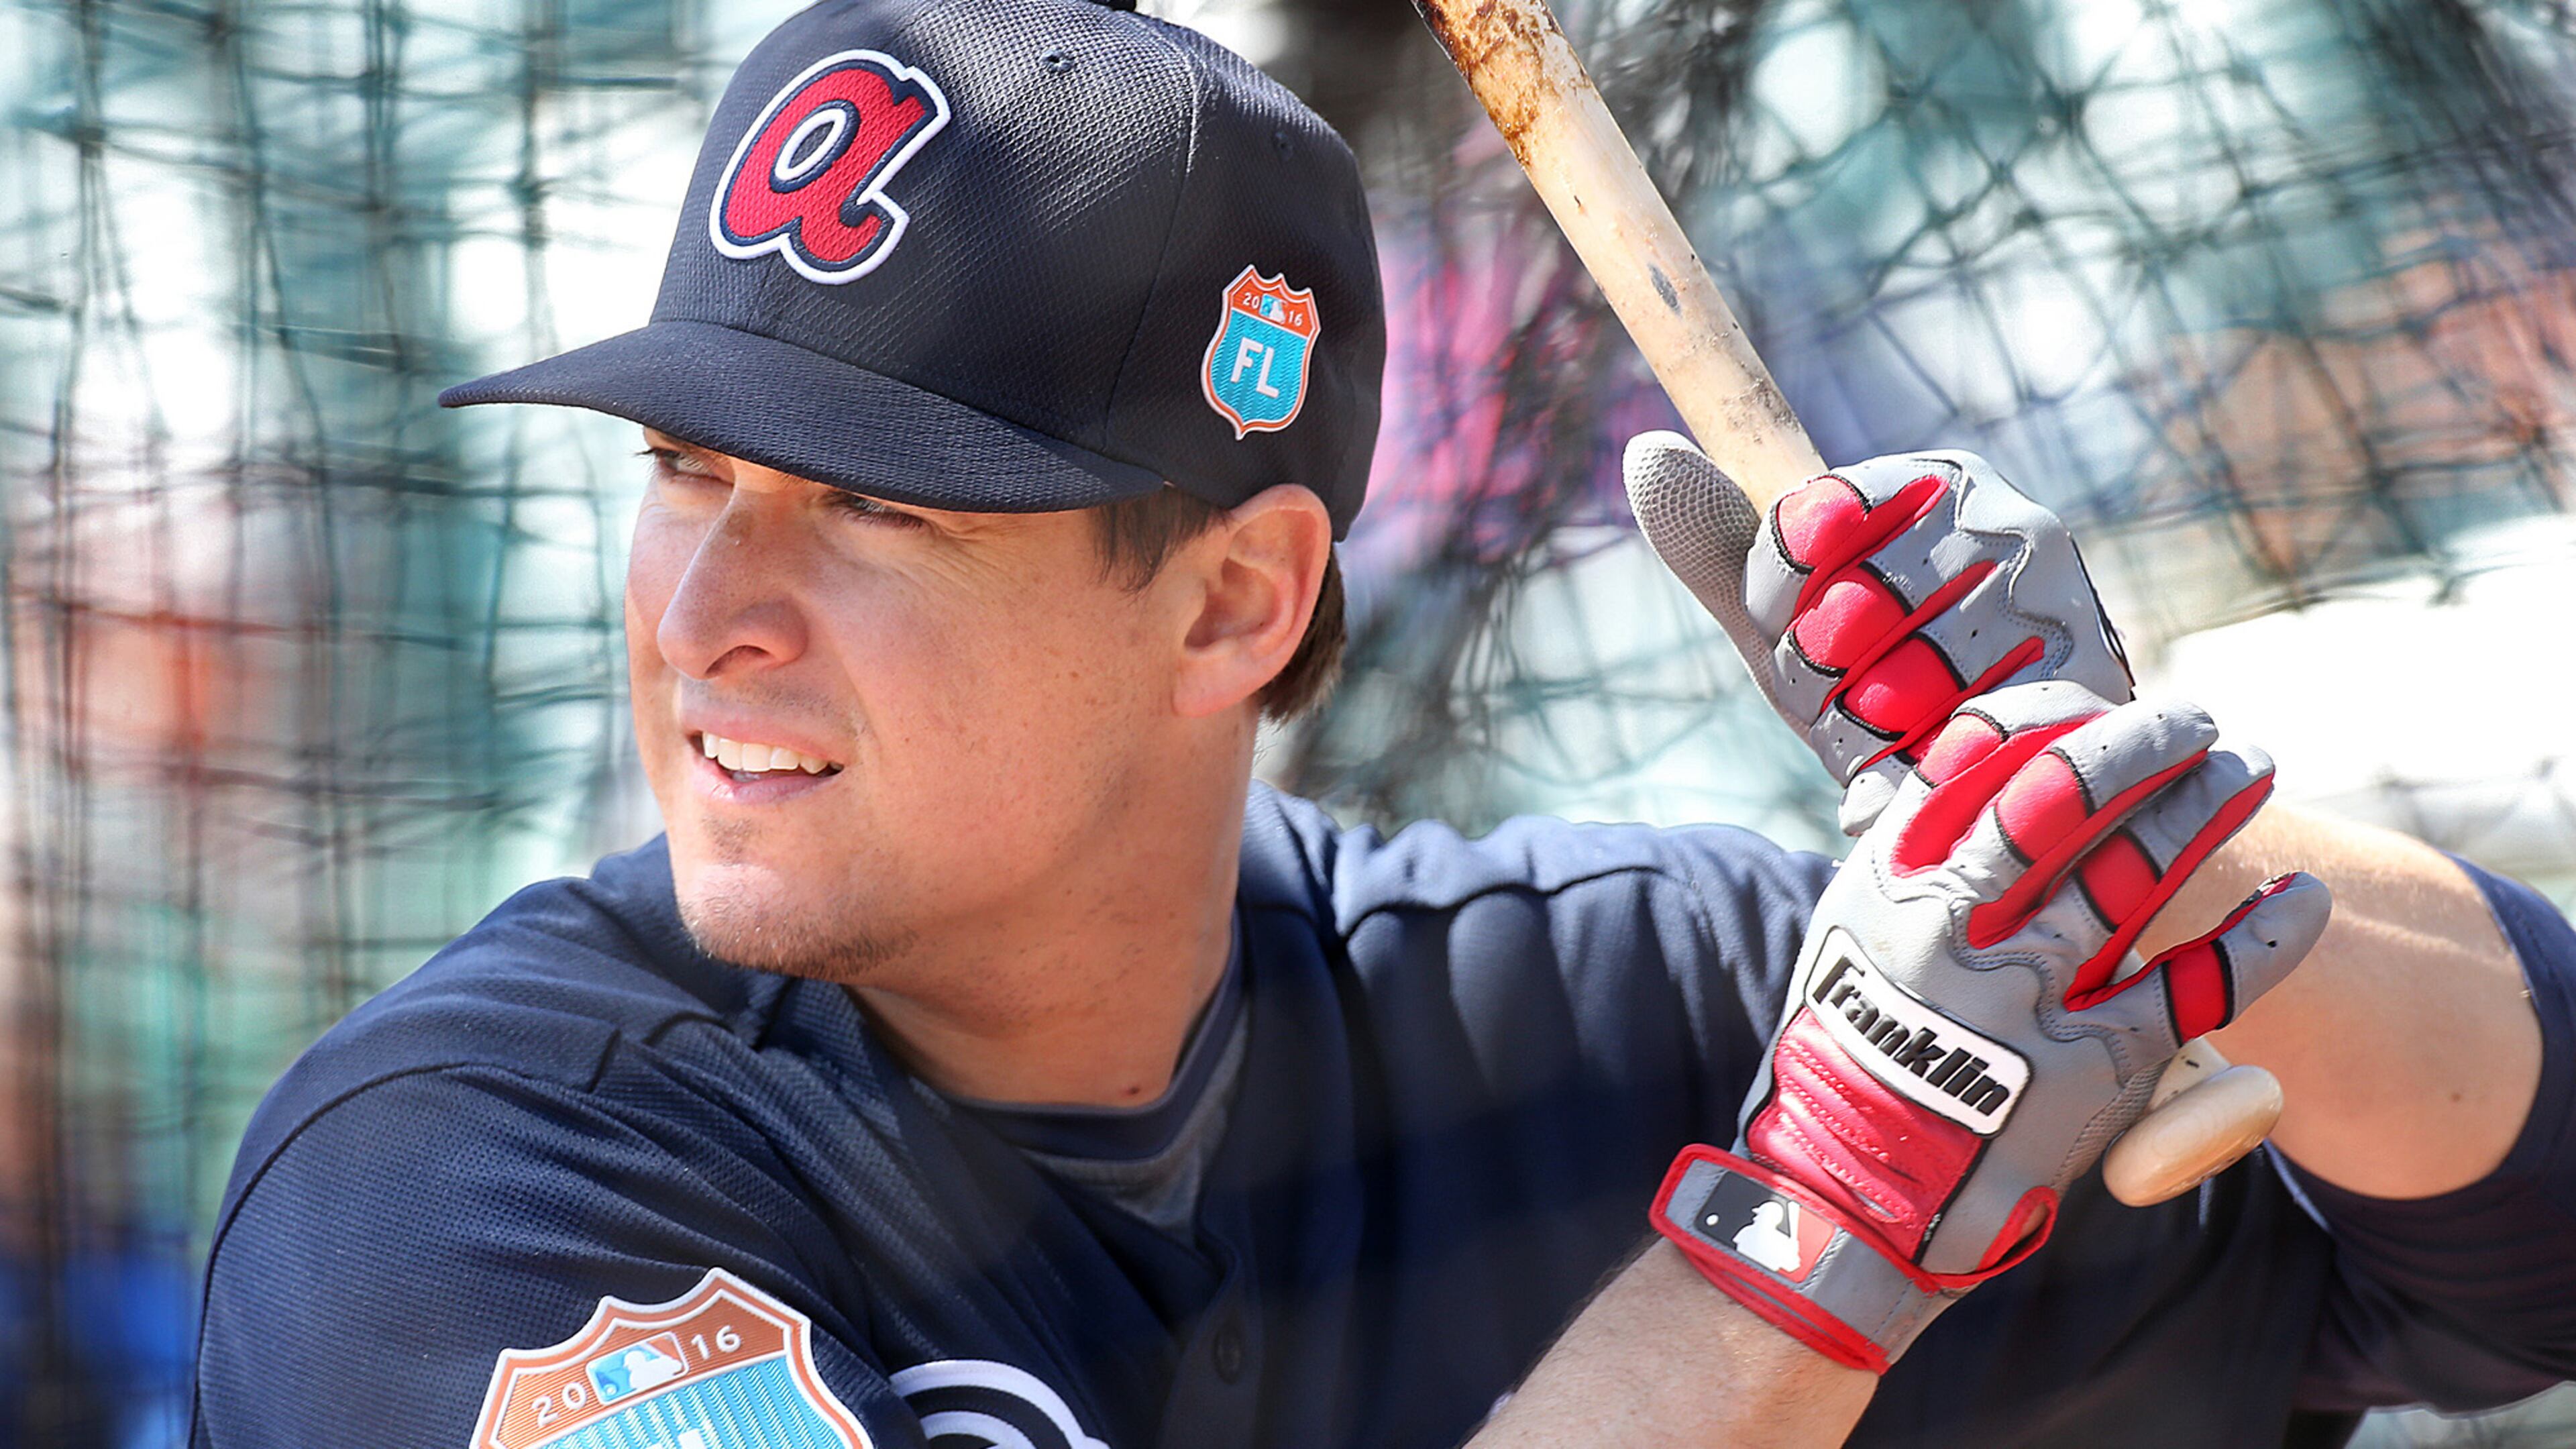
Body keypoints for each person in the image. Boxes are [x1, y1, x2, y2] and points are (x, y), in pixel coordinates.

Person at [191, 0, 2576, 1444]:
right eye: (690, 474)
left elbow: (2510, 1247)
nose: (711, 610)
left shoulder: (1637, 998)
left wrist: (2124, 843)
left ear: (1239, 597)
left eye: (875, 512)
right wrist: (1813, 1234)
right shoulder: (461, 1182)